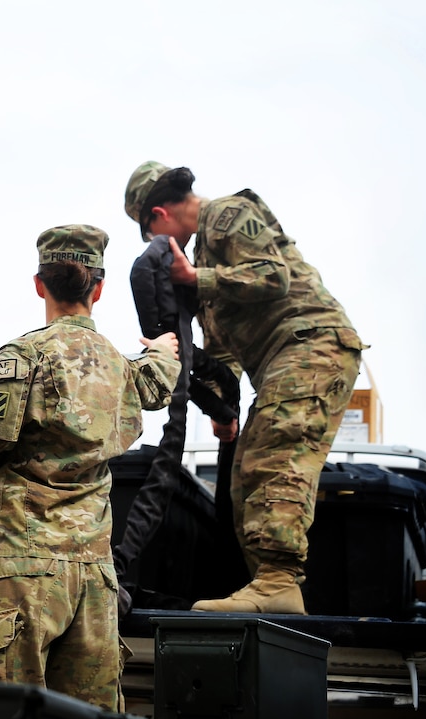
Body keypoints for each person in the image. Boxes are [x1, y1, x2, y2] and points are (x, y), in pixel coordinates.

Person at [122, 162, 367, 615]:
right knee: (241, 476)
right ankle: (266, 589)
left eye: (151, 231)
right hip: (279, 363)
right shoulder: (199, 261)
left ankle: (278, 581)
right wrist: (221, 406)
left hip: (311, 345)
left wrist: (198, 281)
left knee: (272, 458)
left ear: (159, 214)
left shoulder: (226, 215)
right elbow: (224, 354)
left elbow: (276, 276)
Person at [0, 224, 182, 711]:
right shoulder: (122, 368)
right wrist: (164, 352)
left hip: (15, 570)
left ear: (39, 284)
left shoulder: (20, 357)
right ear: (99, 288)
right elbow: (157, 383)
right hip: (92, 584)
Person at [112, 232, 244, 614]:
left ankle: (118, 567)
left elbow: (188, 372)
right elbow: (140, 271)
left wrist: (222, 414)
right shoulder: (165, 248)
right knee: (164, 470)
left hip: (182, 358)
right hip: (173, 351)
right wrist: (157, 334)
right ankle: (118, 568)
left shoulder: (176, 253)